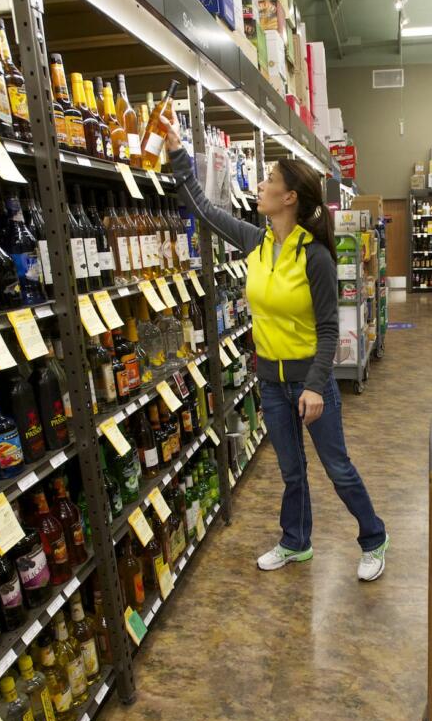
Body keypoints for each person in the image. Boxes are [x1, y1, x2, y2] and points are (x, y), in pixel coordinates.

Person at [162, 110, 389, 582]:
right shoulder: (256, 242)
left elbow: (329, 330)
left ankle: (374, 538)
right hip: (271, 381)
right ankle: (295, 542)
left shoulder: (317, 257)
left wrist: (312, 385)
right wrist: (174, 150)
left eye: (268, 180)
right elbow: (202, 207)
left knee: (337, 467)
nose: (261, 186)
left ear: (289, 198)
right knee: (291, 472)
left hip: (311, 382)